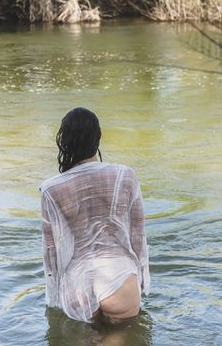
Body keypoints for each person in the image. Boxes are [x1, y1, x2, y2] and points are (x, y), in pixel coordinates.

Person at [40, 107, 150, 324]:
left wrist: (53, 297)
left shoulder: (50, 189)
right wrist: (142, 279)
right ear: (98, 138)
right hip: (119, 278)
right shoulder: (125, 175)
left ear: (64, 142)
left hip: (76, 286)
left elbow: (50, 251)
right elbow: (137, 232)